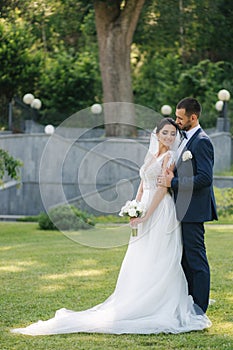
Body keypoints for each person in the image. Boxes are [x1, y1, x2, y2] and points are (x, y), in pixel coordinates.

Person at [11, 118, 211, 336]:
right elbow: (143, 184)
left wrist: (146, 216)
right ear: (156, 134)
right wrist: (135, 207)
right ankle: (136, 296)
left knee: (159, 256)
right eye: (165, 133)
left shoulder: (170, 158)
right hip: (145, 208)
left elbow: (162, 190)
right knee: (141, 255)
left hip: (161, 211)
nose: (169, 137)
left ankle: (157, 300)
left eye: (173, 134)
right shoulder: (151, 156)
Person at [157, 98, 218, 314]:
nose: (177, 121)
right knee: (184, 259)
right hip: (181, 209)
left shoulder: (201, 141)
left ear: (193, 117)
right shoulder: (184, 139)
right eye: (176, 116)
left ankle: (200, 308)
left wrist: (172, 183)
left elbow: (204, 179)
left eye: (181, 118)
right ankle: (190, 301)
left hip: (194, 210)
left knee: (196, 259)